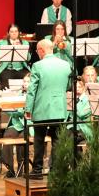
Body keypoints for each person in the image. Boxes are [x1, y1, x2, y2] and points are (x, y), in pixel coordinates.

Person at [26, 39, 70, 175]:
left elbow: (32, 90)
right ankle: (55, 170)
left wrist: (28, 109)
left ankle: (37, 170)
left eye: (37, 51)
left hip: (42, 108)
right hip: (59, 108)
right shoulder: (65, 65)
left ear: (42, 50)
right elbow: (68, 86)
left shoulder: (38, 66)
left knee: (39, 140)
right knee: (57, 140)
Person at [0, 73, 30, 177]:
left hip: (29, 125)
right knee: (7, 135)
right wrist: (5, 105)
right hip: (17, 124)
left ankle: (22, 169)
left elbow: (22, 111)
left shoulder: (34, 95)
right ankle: (10, 168)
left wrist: (12, 109)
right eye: (24, 81)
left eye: (28, 82)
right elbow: (14, 111)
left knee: (22, 140)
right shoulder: (18, 94)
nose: (25, 84)